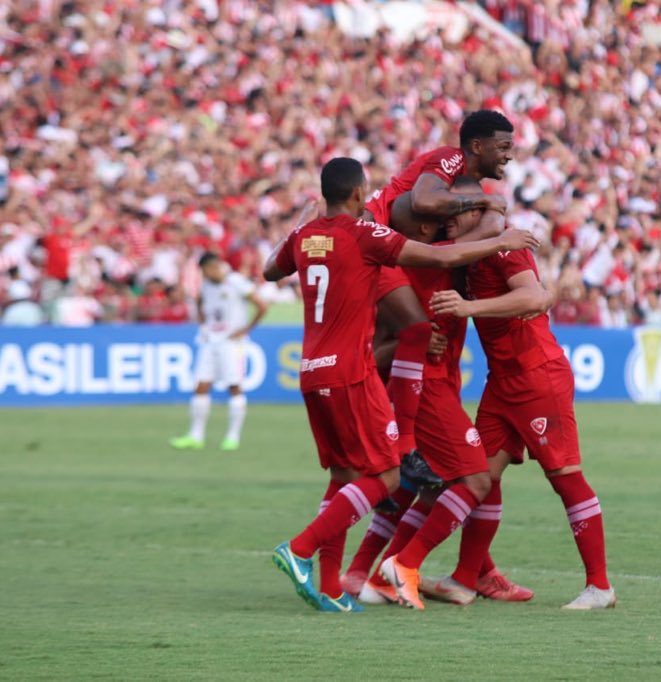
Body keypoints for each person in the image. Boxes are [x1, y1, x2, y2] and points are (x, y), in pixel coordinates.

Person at [263, 158, 537, 613]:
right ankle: (300, 548)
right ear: (357, 195)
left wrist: (301, 221)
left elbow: (270, 270)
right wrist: (501, 239)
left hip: (311, 372)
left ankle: (332, 586)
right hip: (351, 373)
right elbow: (439, 256)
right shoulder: (365, 235)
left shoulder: (305, 237)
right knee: (387, 474)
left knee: (345, 477)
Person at [428, 178, 615, 610]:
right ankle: (463, 578)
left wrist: (469, 308)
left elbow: (535, 298)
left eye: (454, 214)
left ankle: (600, 586)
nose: (447, 224)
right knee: (481, 476)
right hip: (502, 380)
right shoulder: (470, 253)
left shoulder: (503, 244)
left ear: (476, 212)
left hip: (536, 376)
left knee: (564, 476)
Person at [365, 109, 515, 489]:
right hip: (374, 245)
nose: (509, 155)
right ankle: (403, 451)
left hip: (381, 250)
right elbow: (426, 201)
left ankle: (384, 459)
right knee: (416, 333)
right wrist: (483, 209)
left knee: (387, 350)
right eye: (503, 147)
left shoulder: (464, 183)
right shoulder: (449, 157)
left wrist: (489, 213)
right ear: (476, 146)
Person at [169, 252, 268, 452]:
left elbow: (261, 306)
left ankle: (233, 436)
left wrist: (246, 329)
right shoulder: (206, 285)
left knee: (234, 387)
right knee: (201, 386)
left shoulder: (236, 282)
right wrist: (204, 325)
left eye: (205, 270)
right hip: (210, 341)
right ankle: (195, 436)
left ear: (213, 266)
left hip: (231, 343)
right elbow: (200, 302)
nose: (204, 275)